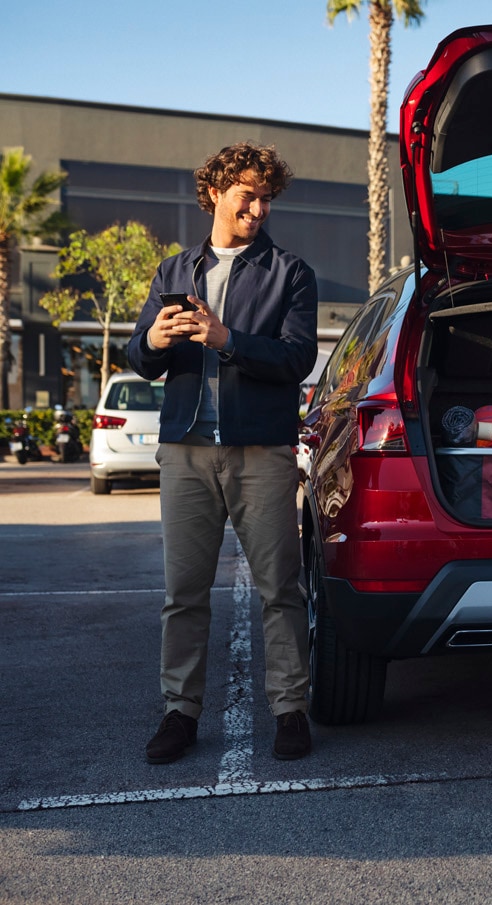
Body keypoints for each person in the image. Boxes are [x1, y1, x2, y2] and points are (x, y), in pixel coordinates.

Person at [130, 141, 318, 764]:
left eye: (267, 198)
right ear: (213, 192)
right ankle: (179, 713)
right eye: (248, 195)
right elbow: (140, 358)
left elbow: (296, 359)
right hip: (185, 452)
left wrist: (226, 337)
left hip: (262, 453)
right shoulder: (172, 273)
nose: (259, 209)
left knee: (279, 589)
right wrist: (155, 340)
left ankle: (290, 710)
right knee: (182, 593)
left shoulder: (291, 273)